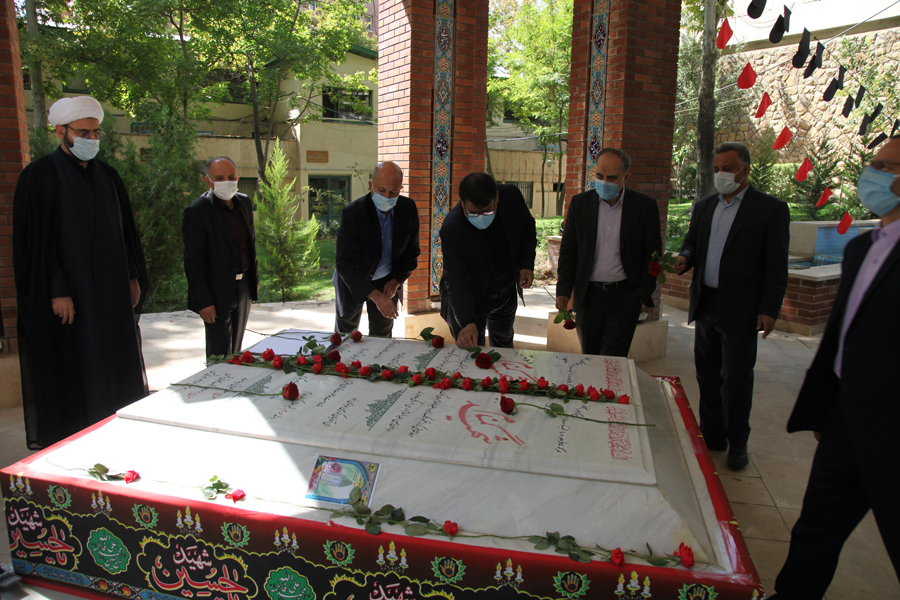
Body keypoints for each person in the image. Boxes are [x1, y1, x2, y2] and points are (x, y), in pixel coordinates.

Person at [769, 136, 900, 600]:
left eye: (888, 167)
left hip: (893, 428)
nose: (874, 174)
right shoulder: (863, 247)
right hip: (844, 418)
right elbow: (842, 334)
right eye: (875, 163)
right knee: (815, 529)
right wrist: (826, 405)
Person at [13, 96, 150, 449]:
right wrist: (56, 290)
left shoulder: (108, 176)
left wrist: (132, 276)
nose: (91, 138)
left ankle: (118, 430)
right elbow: (36, 244)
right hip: (72, 296)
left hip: (112, 289)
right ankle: (80, 438)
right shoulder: (40, 176)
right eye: (83, 132)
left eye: (96, 132)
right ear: (61, 131)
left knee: (116, 362)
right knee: (80, 364)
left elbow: (125, 234)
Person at [676, 141, 789, 471]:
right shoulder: (704, 207)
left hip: (742, 308)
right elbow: (693, 243)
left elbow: (776, 264)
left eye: (728, 169)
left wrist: (769, 308)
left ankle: (738, 442)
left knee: (736, 379)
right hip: (706, 303)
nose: (721, 175)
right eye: (717, 169)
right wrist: (684, 258)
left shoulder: (770, 209)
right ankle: (712, 435)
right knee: (707, 374)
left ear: (745, 170)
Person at [555, 148, 662, 357]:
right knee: (590, 357)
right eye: (599, 176)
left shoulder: (644, 207)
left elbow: (653, 253)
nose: (604, 182)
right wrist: (563, 290)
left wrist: (642, 293)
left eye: (612, 177)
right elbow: (569, 251)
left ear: (626, 177)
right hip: (589, 297)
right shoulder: (580, 204)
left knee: (613, 360)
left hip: (625, 297)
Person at [439, 172, 536, 349]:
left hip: (504, 289)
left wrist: (526, 264)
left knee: (503, 345)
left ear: (496, 197)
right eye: (473, 213)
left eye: (487, 211)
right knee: (472, 350)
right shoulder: (452, 228)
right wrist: (467, 322)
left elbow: (528, 228)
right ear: (463, 203)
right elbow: (456, 278)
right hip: (470, 296)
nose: (481, 216)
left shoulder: (511, 197)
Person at [182, 156, 258, 358]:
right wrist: (203, 302)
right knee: (219, 353)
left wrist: (254, 279)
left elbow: (250, 243)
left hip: (243, 288)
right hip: (215, 291)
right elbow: (194, 262)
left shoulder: (244, 202)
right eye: (220, 178)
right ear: (208, 181)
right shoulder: (197, 211)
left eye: (231, 177)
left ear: (238, 178)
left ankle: (234, 378)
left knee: (236, 351)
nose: (227, 181)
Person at [332, 161, 420, 336]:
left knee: (383, 337)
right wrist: (375, 296)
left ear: (400, 189)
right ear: (371, 185)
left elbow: (412, 253)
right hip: (353, 281)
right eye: (381, 190)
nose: (387, 197)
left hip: (386, 283)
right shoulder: (353, 213)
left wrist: (396, 281)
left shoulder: (408, 209)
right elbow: (344, 263)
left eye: (393, 192)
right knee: (346, 335)